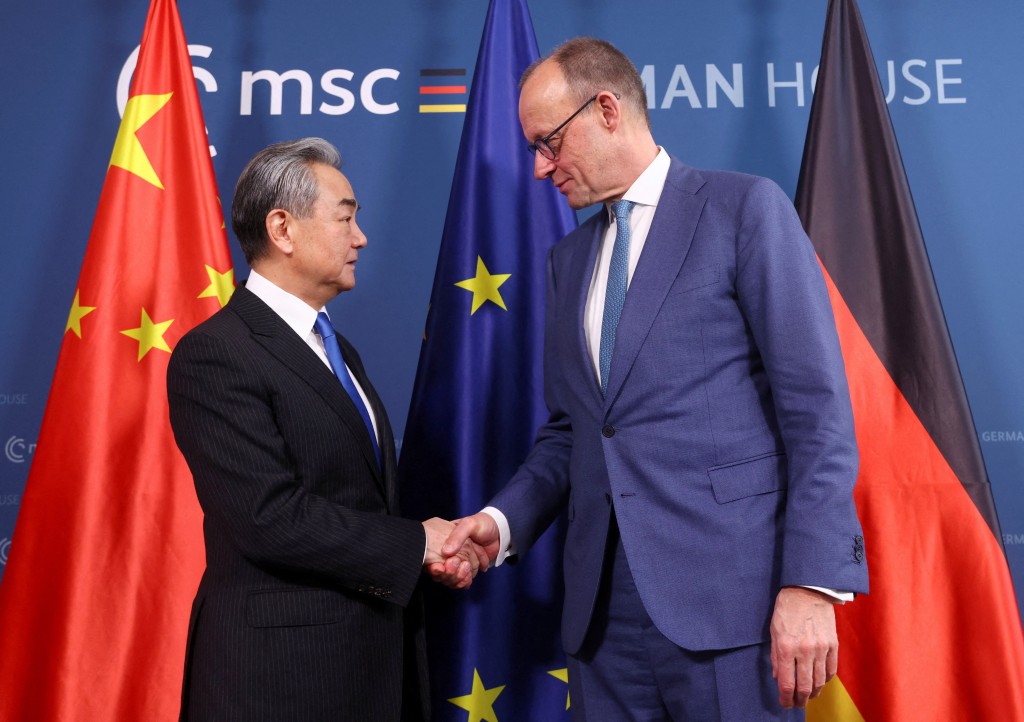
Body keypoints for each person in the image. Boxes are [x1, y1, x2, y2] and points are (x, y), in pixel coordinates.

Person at [437, 38, 868, 721]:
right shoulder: (567, 260)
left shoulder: (743, 210)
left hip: (734, 612)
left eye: (550, 142)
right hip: (602, 623)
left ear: (607, 108)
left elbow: (816, 411)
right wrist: (500, 524)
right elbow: (572, 432)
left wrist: (812, 584)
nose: (542, 167)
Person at [167, 137, 480, 722]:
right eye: (345, 218)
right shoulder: (216, 354)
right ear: (283, 229)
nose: (361, 238)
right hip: (281, 682)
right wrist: (417, 543)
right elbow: (269, 518)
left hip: (368, 669)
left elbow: (356, 498)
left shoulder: (338, 351)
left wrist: (429, 551)